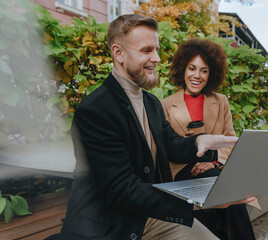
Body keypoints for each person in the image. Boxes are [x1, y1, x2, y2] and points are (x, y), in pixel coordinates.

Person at [46, 14, 255, 240]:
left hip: (150, 215)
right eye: (146, 50)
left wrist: (199, 141)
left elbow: (171, 144)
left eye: (157, 49)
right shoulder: (95, 111)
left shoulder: (151, 103)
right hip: (112, 225)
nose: (156, 58)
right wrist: (200, 200)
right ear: (118, 53)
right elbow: (122, 190)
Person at [161, 38, 256, 240]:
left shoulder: (221, 101)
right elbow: (165, 148)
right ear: (182, 69)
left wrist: (213, 160)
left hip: (213, 168)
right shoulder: (166, 105)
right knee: (223, 191)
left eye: (204, 70)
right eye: (192, 68)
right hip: (182, 171)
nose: (197, 75)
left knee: (229, 193)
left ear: (211, 73)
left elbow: (230, 140)